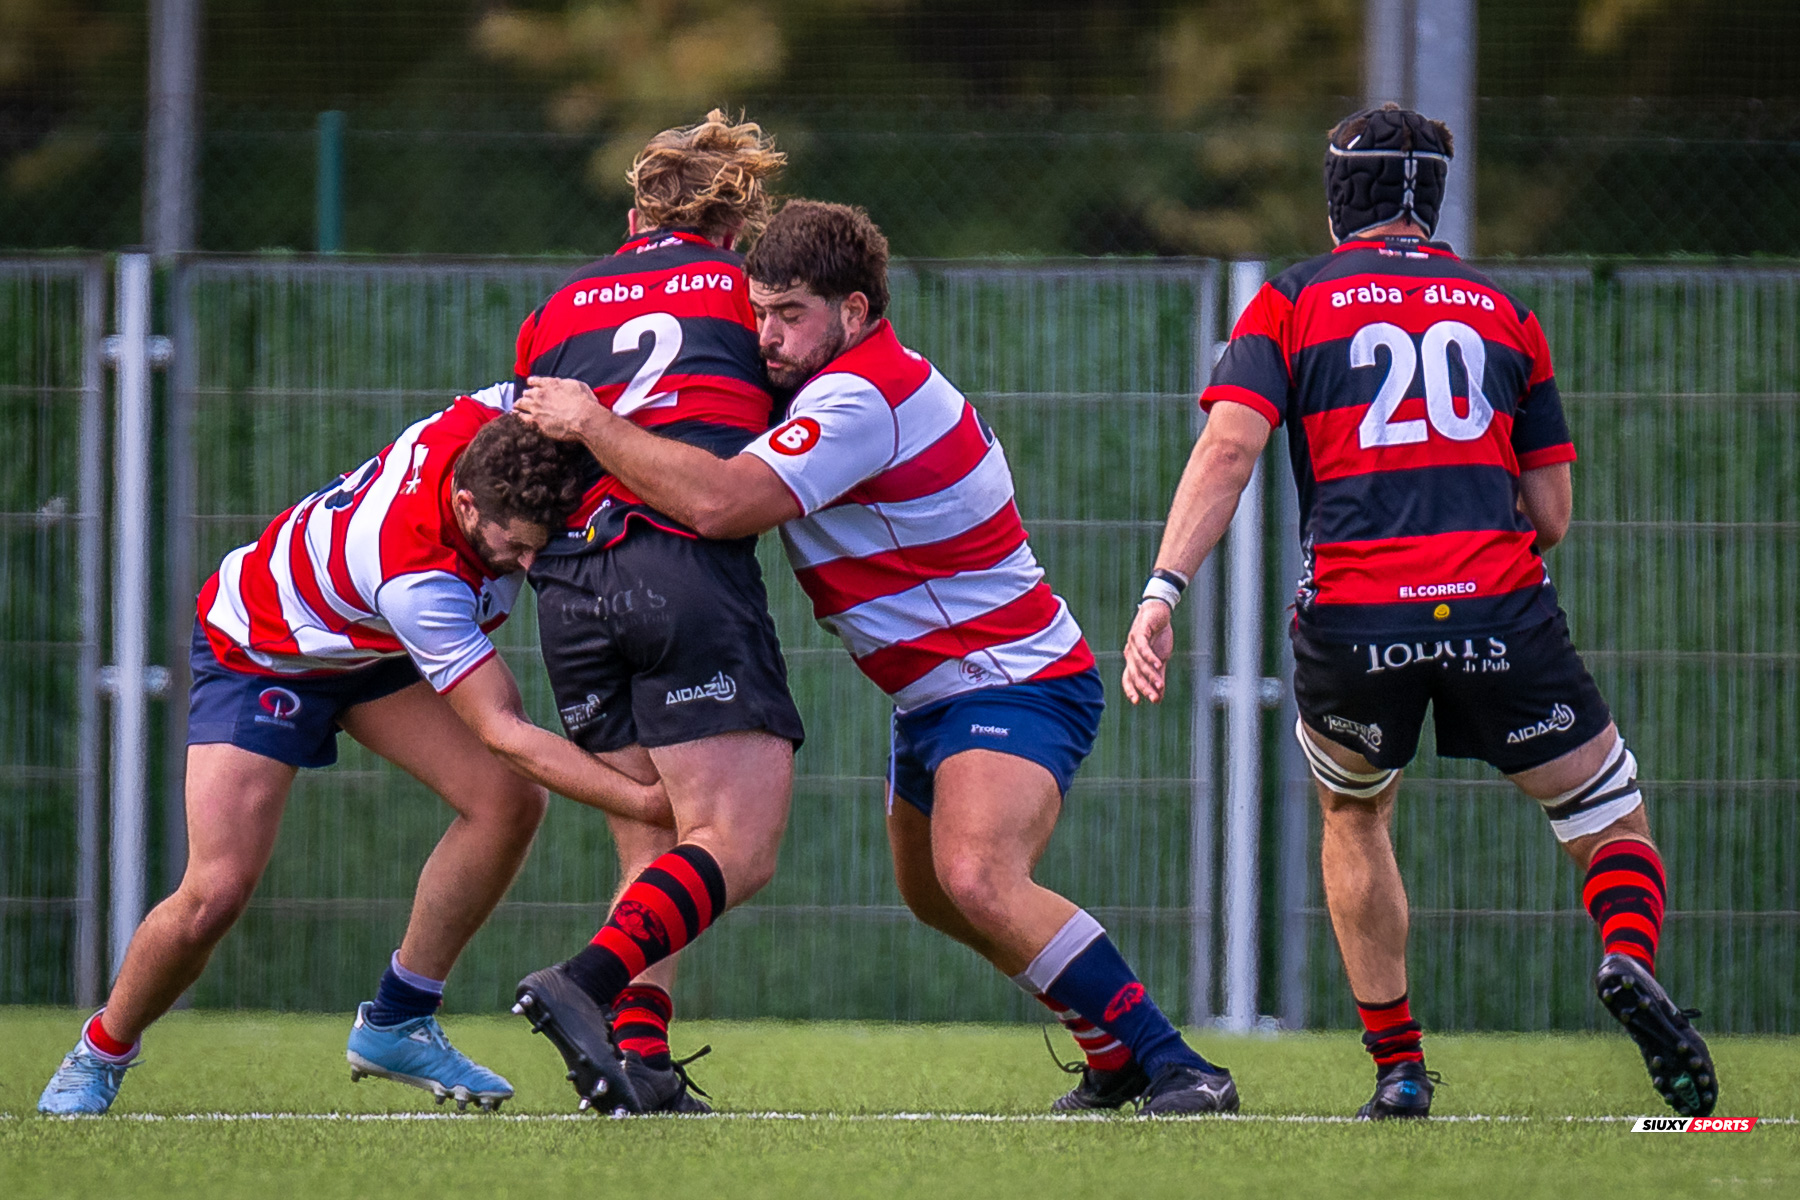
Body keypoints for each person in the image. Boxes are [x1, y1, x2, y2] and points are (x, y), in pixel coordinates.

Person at [518, 199, 1241, 1117]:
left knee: (978, 877)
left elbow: (721, 504)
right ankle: (1113, 1054)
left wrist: (591, 419)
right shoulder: (821, 379)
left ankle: (1178, 1064)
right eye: (758, 310)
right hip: (929, 696)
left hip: (1014, 677)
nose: (766, 336)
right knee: (939, 897)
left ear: (854, 313)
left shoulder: (861, 397)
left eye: (791, 315)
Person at [1121, 104, 1716, 1120]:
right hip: (1499, 609)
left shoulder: (1289, 303)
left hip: (1357, 624)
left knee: (1355, 810)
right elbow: (1553, 516)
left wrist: (1162, 591)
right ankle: (1624, 956)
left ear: (1336, 194)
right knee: (1606, 814)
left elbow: (1229, 450)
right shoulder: (1505, 312)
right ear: (1431, 197)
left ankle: (1399, 1070)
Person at [37, 386, 669, 1116]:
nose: (529, 563)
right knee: (215, 892)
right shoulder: (417, 580)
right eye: (516, 545)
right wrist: (649, 800)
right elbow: (504, 730)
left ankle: (399, 1019)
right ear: (467, 507)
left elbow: (565, 381)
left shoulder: (488, 417)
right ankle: (100, 1050)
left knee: (506, 803)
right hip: (261, 650)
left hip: (366, 650)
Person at [504, 110, 805, 1115]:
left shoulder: (559, 305)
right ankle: (582, 985)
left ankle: (638, 1063)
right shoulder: (741, 290)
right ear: (736, 220)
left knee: (655, 837)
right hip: (678, 564)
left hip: (569, 587)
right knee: (737, 842)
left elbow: (530, 441)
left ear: (636, 207)